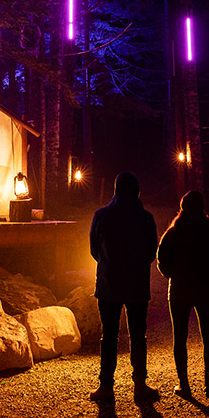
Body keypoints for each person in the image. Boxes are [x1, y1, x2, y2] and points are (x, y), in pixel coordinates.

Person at [89, 172, 160, 403]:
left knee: (109, 335)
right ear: (137, 191)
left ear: (115, 190)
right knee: (138, 335)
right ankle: (140, 384)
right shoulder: (145, 218)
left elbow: (94, 250)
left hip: (109, 283)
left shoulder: (102, 216)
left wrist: (108, 263)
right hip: (137, 283)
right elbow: (151, 251)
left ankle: (106, 387)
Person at [156, 190, 209, 398]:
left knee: (180, 337)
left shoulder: (173, 233)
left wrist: (173, 275)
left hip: (180, 288)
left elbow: (161, 260)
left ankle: (184, 383)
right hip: (206, 287)